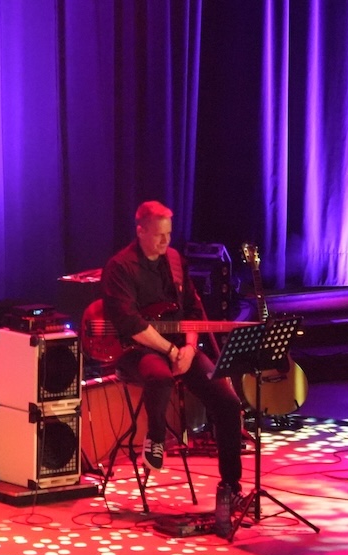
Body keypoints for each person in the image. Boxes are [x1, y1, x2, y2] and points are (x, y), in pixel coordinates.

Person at [100, 201, 245, 532]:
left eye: (169, 234)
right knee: (160, 376)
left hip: (180, 348)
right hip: (137, 349)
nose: (166, 241)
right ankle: (155, 439)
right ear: (140, 231)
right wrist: (170, 349)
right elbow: (130, 323)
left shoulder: (176, 261)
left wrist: (190, 349)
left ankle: (231, 487)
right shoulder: (120, 267)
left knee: (227, 401)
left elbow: (192, 311)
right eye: (159, 235)